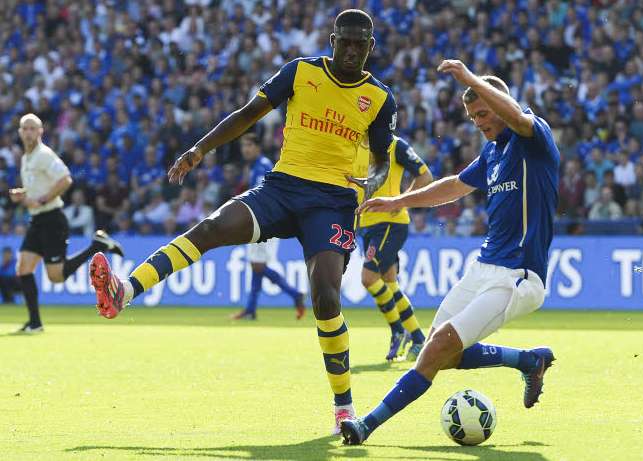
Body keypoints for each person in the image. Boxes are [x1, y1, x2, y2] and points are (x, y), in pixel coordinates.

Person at [88, 9, 396, 433]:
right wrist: (199, 150)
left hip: (333, 201)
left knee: (326, 296)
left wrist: (372, 182)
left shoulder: (380, 98)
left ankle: (344, 407)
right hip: (283, 187)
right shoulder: (301, 72)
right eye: (344, 41)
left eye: (360, 44)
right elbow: (249, 113)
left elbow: (382, 161)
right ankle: (124, 291)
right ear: (332, 41)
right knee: (211, 227)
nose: (351, 50)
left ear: (371, 48)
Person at [340, 60, 559, 445]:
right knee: (442, 351)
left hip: (518, 276)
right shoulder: (492, 153)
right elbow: (454, 186)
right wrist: (398, 201)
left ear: (501, 102)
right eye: (472, 115)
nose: (477, 121)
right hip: (483, 268)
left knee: (438, 349)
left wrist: (469, 78)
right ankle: (528, 360)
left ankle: (365, 426)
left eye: (482, 112)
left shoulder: (532, 137)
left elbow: (517, 117)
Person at [8, 114, 123, 333]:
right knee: (23, 268)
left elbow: (66, 179)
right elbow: (38, 187)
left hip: (52, 218)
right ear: (20, 132)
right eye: (25, 128)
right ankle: (35, 323)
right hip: (37, 220)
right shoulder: (27, 158)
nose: (29, 132)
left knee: (56, 276)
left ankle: (97, 246)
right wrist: (23, 195)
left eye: (33, 128)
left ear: (40, 132)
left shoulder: (44, 155)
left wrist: (42, 199)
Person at [353, 134, 433, 361]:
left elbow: (425, 175)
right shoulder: (353, 145)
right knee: (389, 282)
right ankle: (417, 338)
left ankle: (398, 330)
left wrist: (403, 200)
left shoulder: (394, 145)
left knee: (368, 278)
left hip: (389, 223)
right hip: (367, 225)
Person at [231, 133, 306, 321]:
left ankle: (295, 294)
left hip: (266, 222)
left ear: (257, 147)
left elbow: (263, 198)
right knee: (256, 265)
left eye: (249, 145)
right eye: (243, 146)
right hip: (261, 221)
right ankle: (250, 309)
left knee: (258, 265)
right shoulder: (255, 167)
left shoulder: (262, 166)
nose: (245, 149)